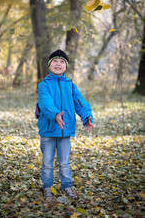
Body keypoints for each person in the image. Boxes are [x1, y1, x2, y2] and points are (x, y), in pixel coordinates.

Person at [37, 49, 94, 199]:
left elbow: (80, 102)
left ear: (66, 66)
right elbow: (45, 102)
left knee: (64, 163)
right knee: (47, 162)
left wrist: (87, 117)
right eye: (55, 61)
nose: (58, 64)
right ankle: (47, 187)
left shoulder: (71, 86)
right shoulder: (44, 85)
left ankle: (67, 187)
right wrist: (55, 114)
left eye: (62, 61)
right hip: (48, 131)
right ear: (49, 65)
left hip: (65, 131)